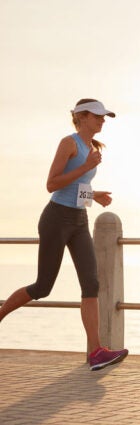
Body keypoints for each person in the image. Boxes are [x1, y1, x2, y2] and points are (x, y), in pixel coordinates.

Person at [0, 99, 129, 371]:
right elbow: (52, 184)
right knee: (43, 287)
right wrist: (85, 167)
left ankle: (96, 352)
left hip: (79, 220)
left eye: (104, 117)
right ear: (81, 117)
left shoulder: (93, 147)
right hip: (56, 219)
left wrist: (94, 194)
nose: (102, 121)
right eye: (97, 116)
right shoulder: (69, 143)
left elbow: (75, 188)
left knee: (91, 283)